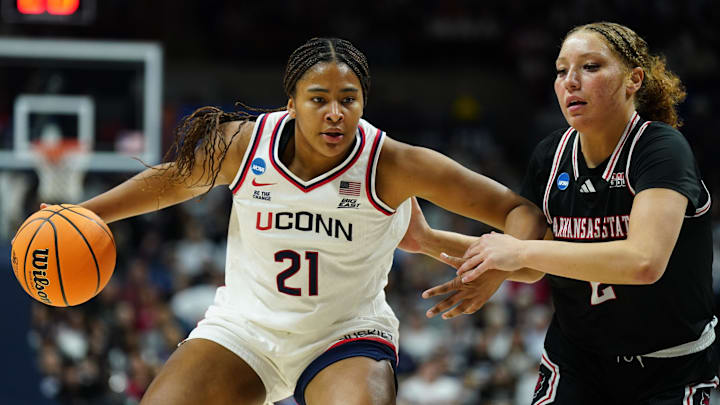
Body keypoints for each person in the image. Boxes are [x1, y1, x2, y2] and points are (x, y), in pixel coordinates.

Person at [57, 38, 546, 405]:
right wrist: (87, 213)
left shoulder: (393, 163)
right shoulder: (244, 146)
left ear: (363, 103)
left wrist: (498, 269)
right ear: (291, 103)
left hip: (346, 333)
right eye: (318, 99)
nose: (335, 113)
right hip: (245, 328)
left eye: (348, 99)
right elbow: (172, 181)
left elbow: (520, 212)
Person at [421, 22, 718, 404]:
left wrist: (516, 254)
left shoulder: (660, 149)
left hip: (671, 369)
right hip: (577, 361)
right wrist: (427, 240)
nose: (570, 81)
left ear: (634, 80)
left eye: (590, 67)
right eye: (562, 71)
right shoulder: (551, 155)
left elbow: (644, 262)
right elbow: (529, 265)